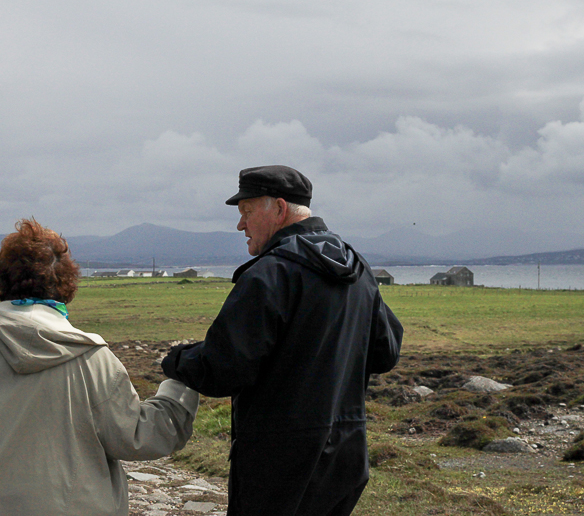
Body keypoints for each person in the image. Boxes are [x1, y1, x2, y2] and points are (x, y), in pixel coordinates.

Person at [0, 218, 199, 516]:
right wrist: (183, 381)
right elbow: (138, 435)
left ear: (1, 279)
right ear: (67, 283)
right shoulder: (92, 358)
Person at [161, 165, 403, 516]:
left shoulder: (270, 273)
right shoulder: (357, 268)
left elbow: (222, 370)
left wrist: (176, 360)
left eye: (246, 212)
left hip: (278, 461)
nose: (240, 225)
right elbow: (386, 353)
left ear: (278, 208)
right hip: (346, 455)